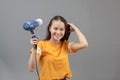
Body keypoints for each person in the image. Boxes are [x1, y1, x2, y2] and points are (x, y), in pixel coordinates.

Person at [28, 15, 88, 80]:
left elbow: (84, 44)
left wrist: (76, 28)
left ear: (65, 31)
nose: (58, 32)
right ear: (50, 28)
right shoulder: (41, 45)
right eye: (55, 28)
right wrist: (34, 48)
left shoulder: (65, 45)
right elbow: (31, 69)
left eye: (61, 29)